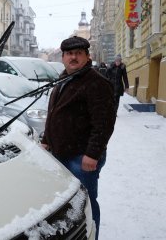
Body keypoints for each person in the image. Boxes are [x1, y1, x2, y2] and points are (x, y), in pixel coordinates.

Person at [41, 36, 116, 240]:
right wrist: (47, 139)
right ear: (63, 57)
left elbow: (104, 122)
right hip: (61, 153)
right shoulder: (64, 78)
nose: (73, 57)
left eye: (78, 53)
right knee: (66, 204)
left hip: (82, 157)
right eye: (69, 54)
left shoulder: (96, 83)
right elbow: (54, 113)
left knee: (86, 204)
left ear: (86, 56)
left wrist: (92, 154)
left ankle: (92, 235)